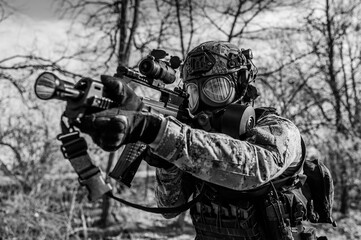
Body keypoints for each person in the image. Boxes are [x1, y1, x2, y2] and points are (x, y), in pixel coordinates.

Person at [77, 41, 312, 240]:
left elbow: (252, 168)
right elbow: (168, 208)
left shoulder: (280, 130)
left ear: (241, 86)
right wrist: (166, 162)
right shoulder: (194, 141)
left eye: (216, 89)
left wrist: (158, 131)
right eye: (194, 94)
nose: (204, 104)